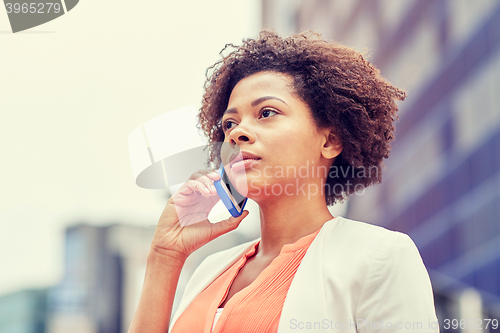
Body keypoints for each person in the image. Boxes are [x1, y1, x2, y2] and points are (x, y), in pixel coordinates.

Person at [128, 30, 439, 333]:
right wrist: (165, 257)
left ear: (330, 140)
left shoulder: (379, 256)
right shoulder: (209, 271)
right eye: (229, 124)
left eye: (266, 112)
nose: (237, 133)